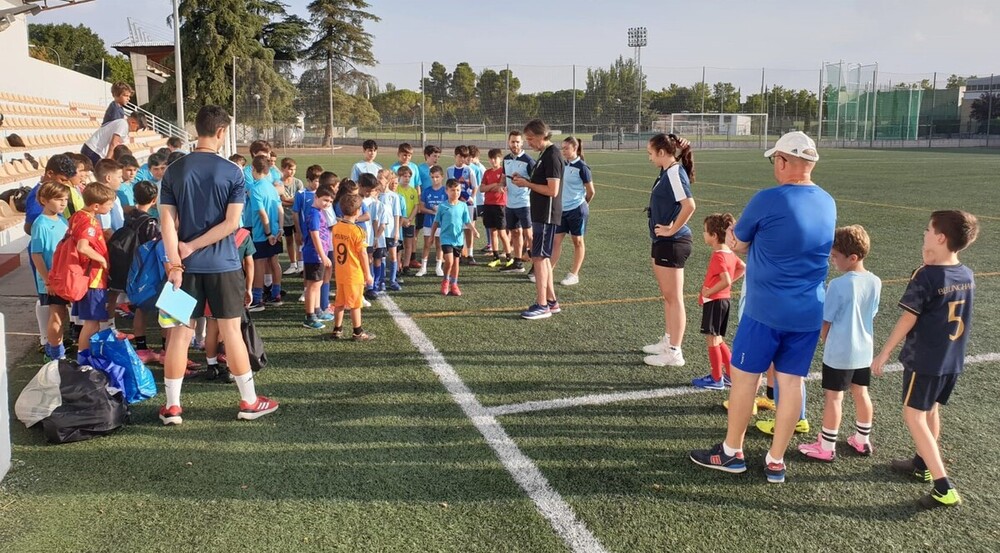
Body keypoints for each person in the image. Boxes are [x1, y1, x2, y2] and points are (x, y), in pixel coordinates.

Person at [689, 131, 835, 484]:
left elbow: (736, 244)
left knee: (744, 380)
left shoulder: (768, 199)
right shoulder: (828, 201)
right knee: (791, 383)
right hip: (808, 312)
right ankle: (775, 461)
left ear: (785, 162)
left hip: (766, 311)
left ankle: (731, 452)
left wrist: (735, 234)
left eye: (776, 160)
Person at [159, 104, 279, 425]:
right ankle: (249, 401)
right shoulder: (233, 171)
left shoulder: (174, 170)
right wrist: (194, 245)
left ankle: (172, 407)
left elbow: (167, 223)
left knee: (179, 335)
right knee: (231, 332)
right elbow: (232, 224)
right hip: (224, 266)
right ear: (222, 132)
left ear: (196, 128)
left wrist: (176, 261)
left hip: (181, 268)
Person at [871, 210, 978, 508]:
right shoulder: (966, 275)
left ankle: (944, 486)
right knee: (931, 410)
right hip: (951, 360)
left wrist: (885, 352)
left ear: (941, 238)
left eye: (928, 231)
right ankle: (921, 464)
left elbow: (908, 318)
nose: (924, 235)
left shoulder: (926, 275)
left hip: (925, 360)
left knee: (914, 415)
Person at [798, 225, 880, 461]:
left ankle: (826, 446)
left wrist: (825, 341)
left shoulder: (838, 285)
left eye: (835, 257)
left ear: (852, 258)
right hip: (864, 350)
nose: (833, 261)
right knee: (861, 393)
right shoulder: (875, 281)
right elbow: (871, 313)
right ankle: (862, 440)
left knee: (834, 397)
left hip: (840, 351)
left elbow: (826, 320)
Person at [642, 133, 696, 366]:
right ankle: (668, 340)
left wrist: (672, 229)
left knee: (674, 298)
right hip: (663, 242)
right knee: (669, 297)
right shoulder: (668, 170)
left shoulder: (673, 172)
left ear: (662, 153)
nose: (650, 157)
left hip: (673, 243)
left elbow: (690, 205)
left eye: (651, 153)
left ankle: (675, 351)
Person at [511, 119, 564, 320]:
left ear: (542, 136)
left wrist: (527, 184)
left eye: (531, 139)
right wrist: (526, 181)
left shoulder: (553, 156)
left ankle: (542, 305)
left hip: (547, 215)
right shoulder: (544, 155)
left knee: (539, 258)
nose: (529, 143)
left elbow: (553, 190)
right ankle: (551, 301)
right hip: (541, 214)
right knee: (542, 258)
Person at [690, 213, 746, 390]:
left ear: (714, 236)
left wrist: (709, 291)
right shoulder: (729, 253)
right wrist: (724, 288)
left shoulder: (719, 256)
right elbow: (742, 268)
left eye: (705, 231)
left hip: (715, 302)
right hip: (724, 301)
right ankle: (730, 375)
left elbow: (726, 280)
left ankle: (716, 378)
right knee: (718, 339)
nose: (703, 234)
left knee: (712, 340)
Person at [62, 183, 116, 360]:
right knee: (92, 323)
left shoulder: (78, 215)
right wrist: (101, 259)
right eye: (109, 204)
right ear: (96, 206)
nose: (112, 206)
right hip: (93, 278)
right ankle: (83, 358)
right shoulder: (90, 222)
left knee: (91, 322)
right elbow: (82, 246)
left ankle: (87, 355)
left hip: (87, 276)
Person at [30, 182, 70, 360]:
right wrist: (48, 280)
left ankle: (57, 347)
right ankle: (55, 353)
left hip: (65, 277)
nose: (63, 203)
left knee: (63, 314)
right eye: (58, 199)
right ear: (44, 200)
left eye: (66, 199)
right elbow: (36, 255)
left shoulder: (62, 219)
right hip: (52, 279)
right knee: (57, 314)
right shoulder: (40, 224)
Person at [551, 136, 595, 286]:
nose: (563, 151)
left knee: (577, 241)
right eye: (562, 148)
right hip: (562, 210)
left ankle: (574, 274)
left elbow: (591, 191)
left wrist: (584, 205)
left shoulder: (582, 167)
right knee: (556, 241)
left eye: (566, 148)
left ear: (575, 149)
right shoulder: (562, 165)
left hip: (577, 210)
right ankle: (548, 270)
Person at [330, 194, 375, 341]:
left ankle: (337, 329)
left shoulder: (336, 228)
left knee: (340, 302)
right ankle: (357, 332)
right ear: (357, 211)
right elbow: (362, 254)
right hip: (353, 272)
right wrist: (368, 274)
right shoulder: (358, 231)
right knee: (356, 303)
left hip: (341, 271)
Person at [430, 179, 479, 296]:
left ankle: (454, 284)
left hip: (458, 239)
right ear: (447, 191)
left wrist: (475, 231)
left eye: (458, 190)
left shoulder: (462, 206)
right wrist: (431, 236)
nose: (455, 193)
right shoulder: (442, 206)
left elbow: (467, 221)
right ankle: (446, 280)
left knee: (456, 262)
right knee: (449, 261)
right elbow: (436, 223)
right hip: (446, 238)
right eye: (452, 190)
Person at [247, 155, 284, 310]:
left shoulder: (255, 189)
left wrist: (268, 234)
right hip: (276, 230)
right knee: (274, 262)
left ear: (254, 170)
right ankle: (276, 294)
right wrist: (279, 229)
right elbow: (280, 209)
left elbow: (262, 213)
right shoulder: (271, 187)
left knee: (259, 264)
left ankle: (257, 299)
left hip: (263, 233)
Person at [500, 131, 535, 274]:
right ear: (509, 142)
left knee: (529, 234)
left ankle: (536, 265)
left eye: (517, 142)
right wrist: (502, 185)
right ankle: (518, 263)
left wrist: (524, 180)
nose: (515, 144)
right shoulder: (506, 159)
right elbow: (504, 176)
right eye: (512, 141)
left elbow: (537, 181)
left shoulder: (529, 161)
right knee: (515, 232)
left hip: (524, 202)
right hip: (510, 203)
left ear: (522, 143)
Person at [301, 185, 335, 329]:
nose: (327, 203)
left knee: (318, 283)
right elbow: (315, 235)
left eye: (330, 201)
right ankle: (310, 316)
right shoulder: (314, 213)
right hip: (314, 255)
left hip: (318, 255)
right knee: (312, 286)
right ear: (316, 197)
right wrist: (322, 255)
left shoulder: (320, 212)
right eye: (325, 200)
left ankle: (317, 310)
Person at [447, 145, 480, 265]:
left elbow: (475, 186)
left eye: (464, 157)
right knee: (456, 227)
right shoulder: (449, 170)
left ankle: (470, 254)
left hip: (468, 204)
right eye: (460, 156)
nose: (461, 159)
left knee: (468, 228)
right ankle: (458, 252)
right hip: (455, 204)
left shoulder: (469, 170)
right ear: (455, 156)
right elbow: (447, 187)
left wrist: (471, 198)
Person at [481, 148, 512, 268]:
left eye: (495, 158)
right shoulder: (487, 172)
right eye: (491, 158)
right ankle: (496, 257)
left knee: (502, 233)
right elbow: (482, 188)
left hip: (500, 205)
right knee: (492, 232)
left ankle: (509, 257)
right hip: (488, 204)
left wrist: (491, 187)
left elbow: (501, 187)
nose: (493, 161)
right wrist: (494, 185)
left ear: (500, 159)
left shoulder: (503, 172)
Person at [415, 165, 447, 277]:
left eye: (437, 177)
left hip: (441, 224)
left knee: (439, 245)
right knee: (427, 244)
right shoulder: (426, 191)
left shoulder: (445, 191)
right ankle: (423, 268)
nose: (435, 179)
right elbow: (421, 208)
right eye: (432, 177)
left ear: (442, 177)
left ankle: (438, 267)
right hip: (428, 222)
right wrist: (432, 211)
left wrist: (441, 211)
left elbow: (449, 207)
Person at [378, 168, 404, 291]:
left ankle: (392, 280)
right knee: (381, 256)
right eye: (378, 178)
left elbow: (396, 215)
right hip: (380, 232)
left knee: (393, 256)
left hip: (391, 231)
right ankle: (381, 280)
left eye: (381, 178)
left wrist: (397, 231)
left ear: (388, 180)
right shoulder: (376, 195)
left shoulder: (394, 197)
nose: (378, 180)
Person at [279, 157, 304, 275]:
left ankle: (301, 264)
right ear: (283, 169)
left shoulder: (298, 182)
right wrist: (289, 201)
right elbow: (279, 201)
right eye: (289, 169)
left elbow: (299, 200)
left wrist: (286, 200)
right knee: (288, 240)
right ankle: (292, 264)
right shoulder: (278, 183)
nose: (292, 172)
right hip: (285, 217)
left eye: (294, 169)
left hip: (297, 215)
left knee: (299, 239)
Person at [396, 165, 420, 274]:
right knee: (399, 244)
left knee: (409, 244)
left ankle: (406, 265)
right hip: (399, 222)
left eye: (409, 176)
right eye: (404, 176)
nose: (407, 178)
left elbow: (416, 206)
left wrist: (410, 219)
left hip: (410, 221)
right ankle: (398, 266)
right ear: (399, 177)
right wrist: (403, 219)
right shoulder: (396, 189)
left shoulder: (413, 191)